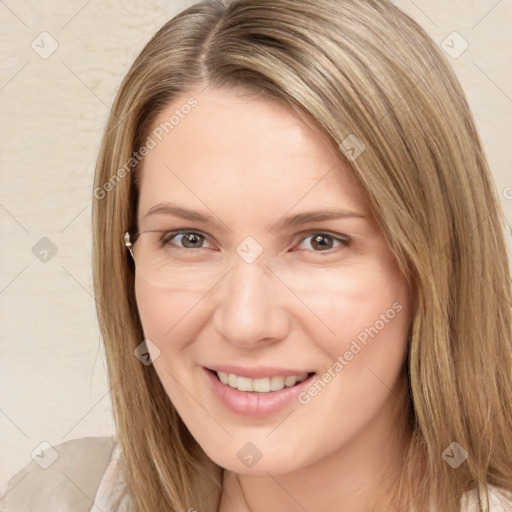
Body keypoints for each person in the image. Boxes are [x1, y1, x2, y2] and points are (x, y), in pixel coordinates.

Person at [2, 0, 511, 511]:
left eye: (320, 241)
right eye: (189, 239)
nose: (245, 323)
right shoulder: (57, 495)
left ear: (435, 265)